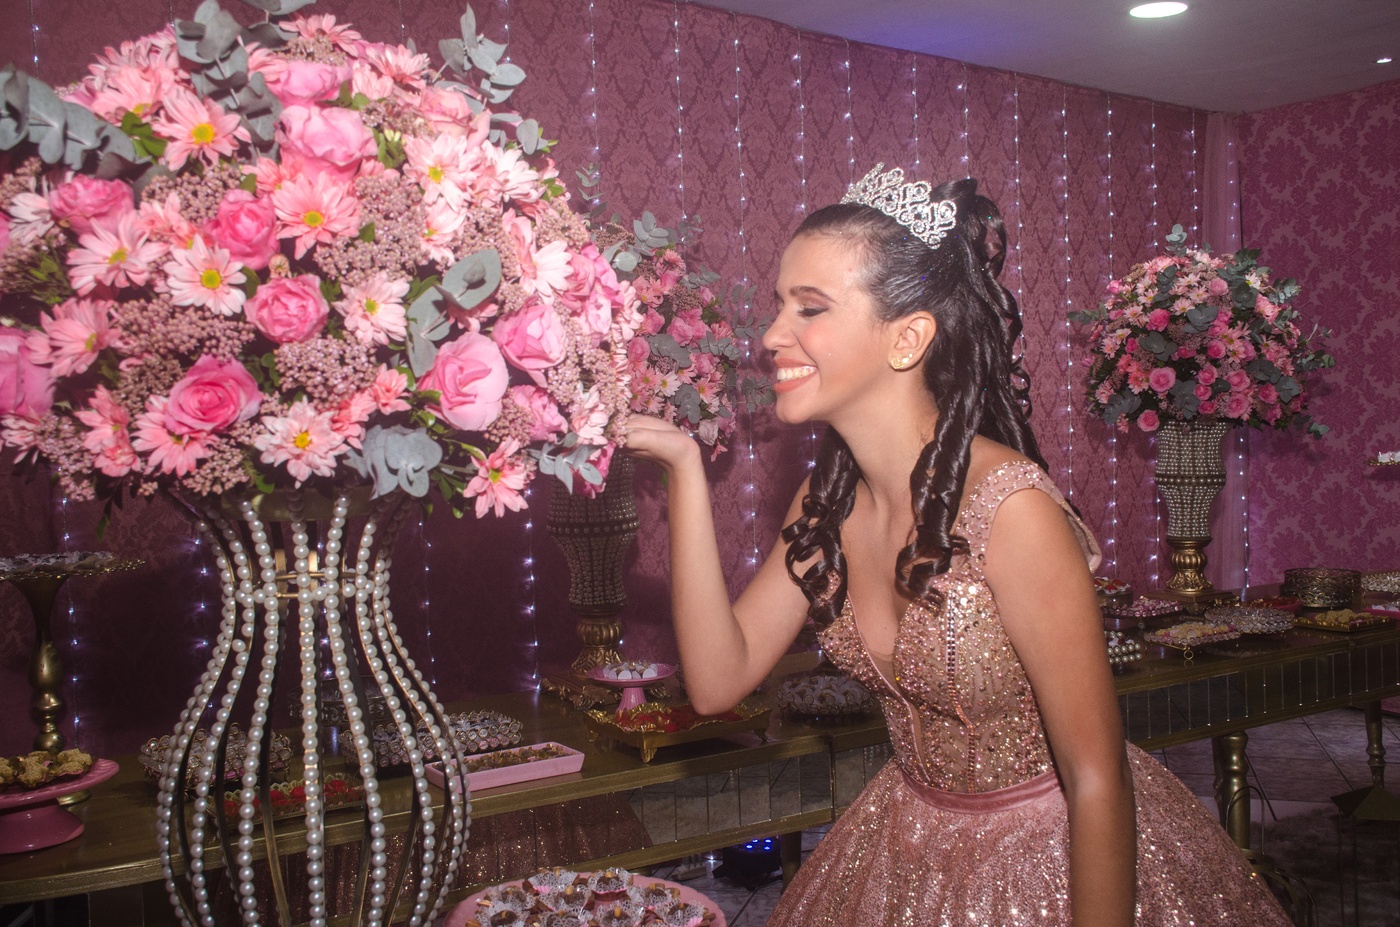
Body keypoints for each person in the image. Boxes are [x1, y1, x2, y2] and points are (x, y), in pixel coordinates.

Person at [623, 164, 1291, 926]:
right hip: (905, 841)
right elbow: (717, 682)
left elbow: (1096, 776)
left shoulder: (1012, 511)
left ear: (907, 338)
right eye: (779, 306)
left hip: (1053, 859)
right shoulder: (826, 501)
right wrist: (683, 469)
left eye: (809, 308)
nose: (773, 335)